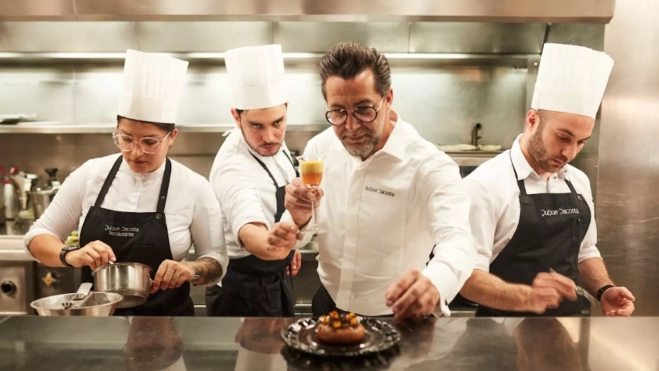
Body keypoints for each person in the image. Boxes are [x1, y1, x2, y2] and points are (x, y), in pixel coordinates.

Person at [24, 49, 229, 316]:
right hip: (95, 323)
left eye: (149, 142)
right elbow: (37, 237)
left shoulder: (194, 186)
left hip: (168, 325)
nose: (135, 152)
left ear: (172, 137)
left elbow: (216, 260)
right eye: (126, 138)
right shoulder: (90, 174)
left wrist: (191, 269)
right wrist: (70, 254)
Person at [282, 42, 477, 319]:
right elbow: (305, 224)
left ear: (388, 98)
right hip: (327, 305)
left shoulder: (429, 165)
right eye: (338, 112)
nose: (350, 126)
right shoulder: (320, 149)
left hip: (396, 316)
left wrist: (434, 283)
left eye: (363, 109)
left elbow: (459, 239)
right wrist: (297, 219)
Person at [459, 43, 636, 317]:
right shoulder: (485, 185)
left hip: (567, 333)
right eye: (563, 137)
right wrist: (527, 298)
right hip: (498, 341)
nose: (570, 153)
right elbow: (464, 276)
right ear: (532, 120)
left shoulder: (577, 181)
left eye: (581, 142)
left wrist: (604, 290)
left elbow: (585, 252)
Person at [205, 44, 302, 317]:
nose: (270, 137)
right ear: (236, 116)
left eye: (278, 122)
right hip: (242, 293)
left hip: (276, 279)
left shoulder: (273, 144)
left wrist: (286, 250)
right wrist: (275, 246)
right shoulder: (232, 167)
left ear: (286, 109)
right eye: (256, 126)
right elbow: (251, 233)